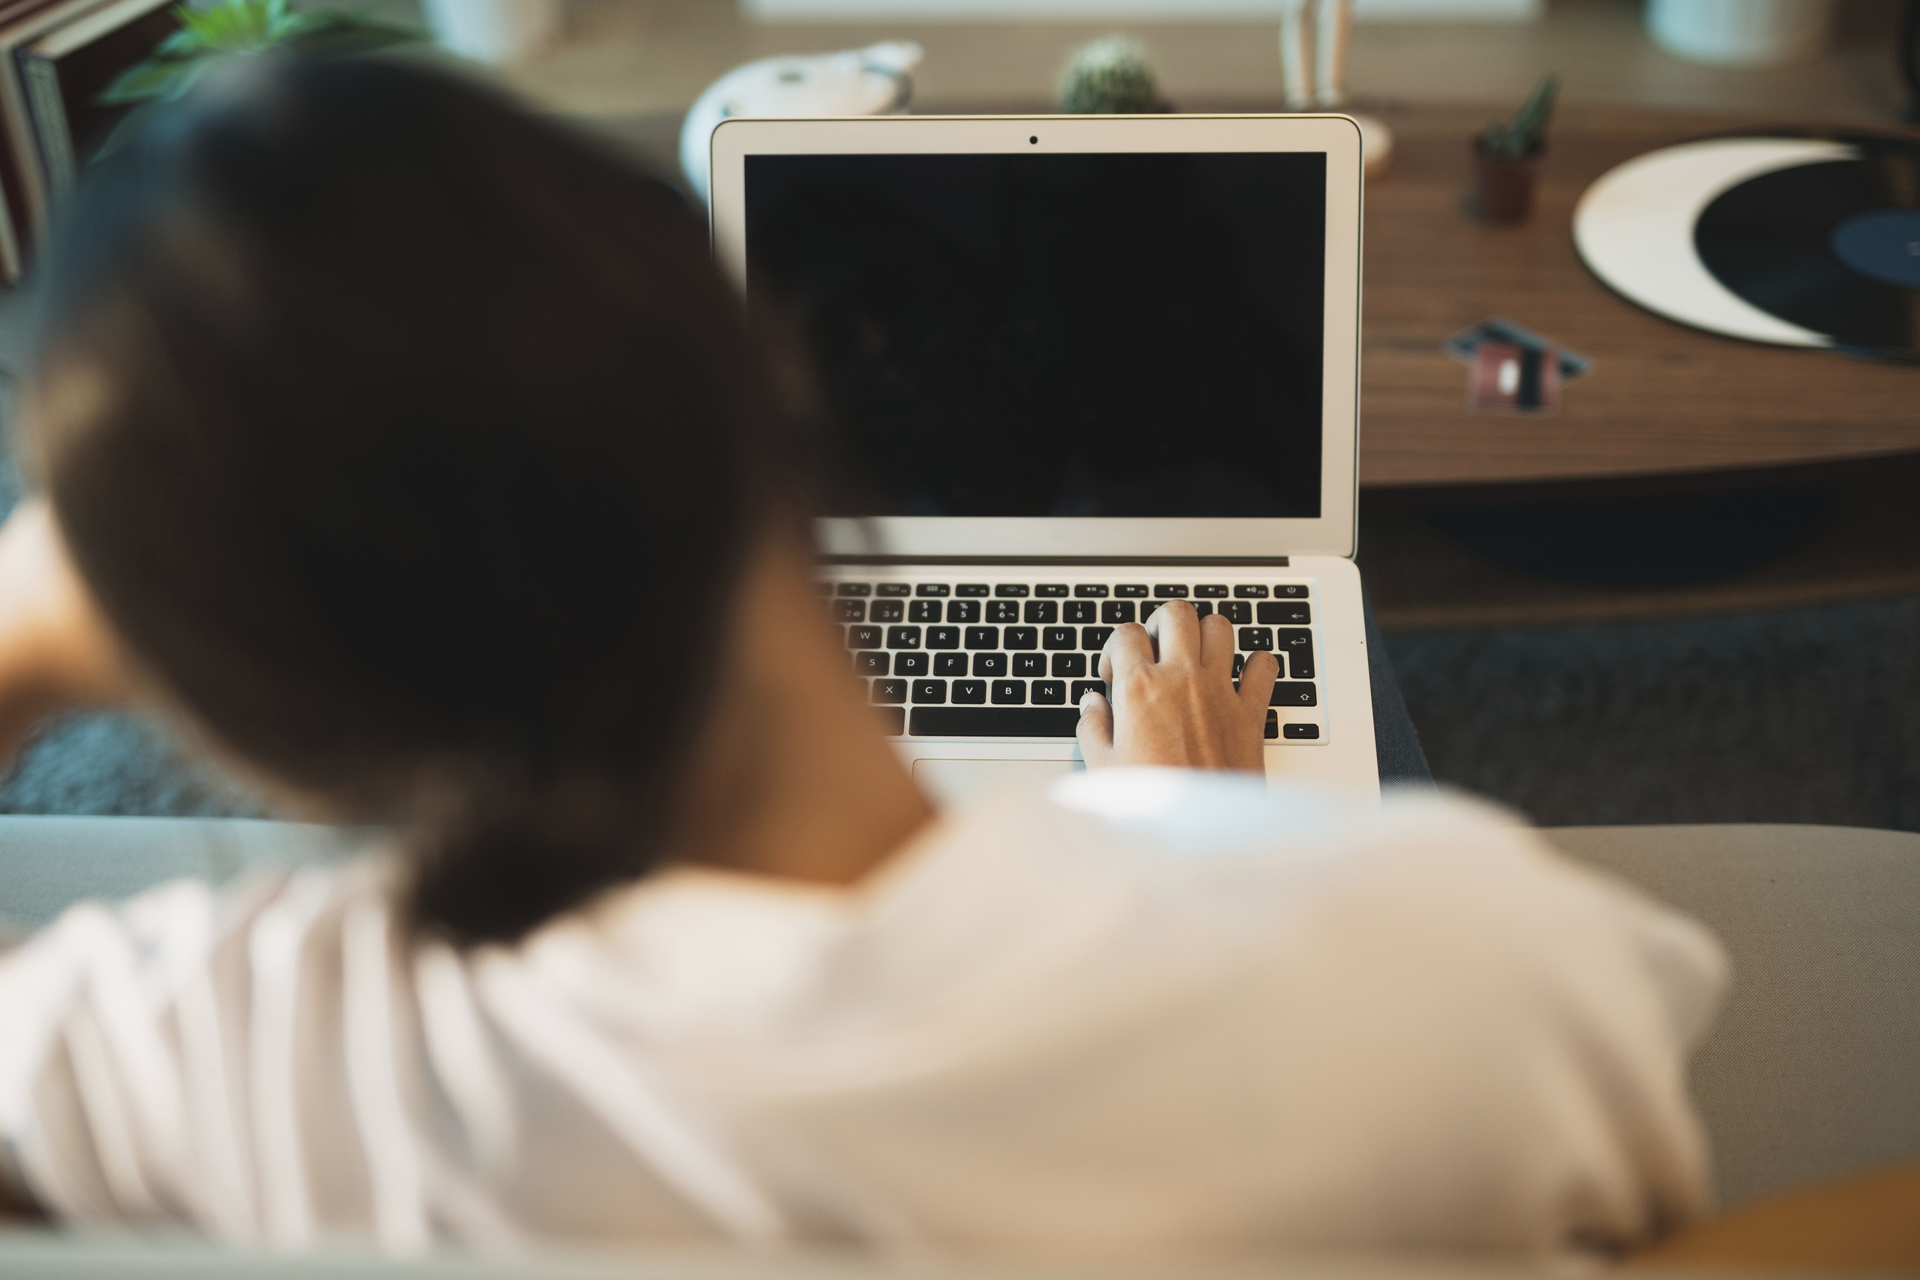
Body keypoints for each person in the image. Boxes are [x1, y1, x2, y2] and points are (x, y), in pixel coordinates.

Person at [0, 55, 1725, 1259]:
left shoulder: (238, 1059)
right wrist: (1191, 830)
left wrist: (45, 612)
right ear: (777, 373)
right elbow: (1641, 1220)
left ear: (248, 718)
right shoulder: (1439, 954)